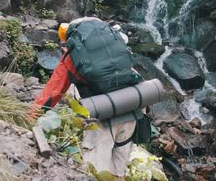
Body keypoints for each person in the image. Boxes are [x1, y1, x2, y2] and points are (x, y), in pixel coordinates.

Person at [30, 17, 137, 180]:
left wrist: (28, 118)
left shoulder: (74, 57)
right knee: (117, 174)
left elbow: (51, 95)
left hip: (104, 115)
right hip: (130, 108)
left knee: (93, 172)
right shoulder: (114, 48)